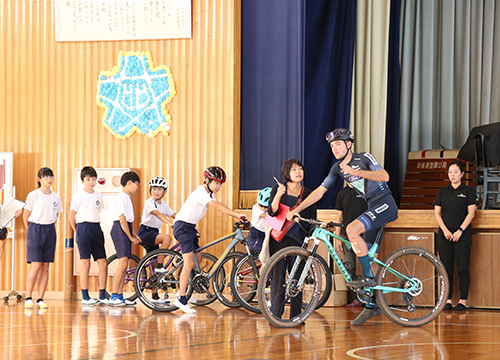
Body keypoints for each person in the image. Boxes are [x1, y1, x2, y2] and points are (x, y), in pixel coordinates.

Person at [288, 128, 398, 325]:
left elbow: (385, 176)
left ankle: (367, 280)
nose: (334, 148)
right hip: (371, 206)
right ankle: (371, 307)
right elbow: (319, 192)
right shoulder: (337, 168)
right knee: (370, 258)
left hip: (385, 203)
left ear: (348, 144)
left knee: (352, 230)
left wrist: (356, 172)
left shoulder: (363, 158)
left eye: (338, 144)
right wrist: (298, 207)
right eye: (331, 146)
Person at [173, 166, 247, 314]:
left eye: (220, 184)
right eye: (216, 183)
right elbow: (217, 208)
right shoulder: (201, 192)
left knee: (197, 260)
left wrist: (235, 213)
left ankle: (184, 291)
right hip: (183, 227)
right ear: (207, 180)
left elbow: (219, 204)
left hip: (189, 227)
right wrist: (236, 215)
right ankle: (181, 299)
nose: (218, 186)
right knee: (188, 264)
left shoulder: (208, 193)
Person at [267, 158, 317, 320]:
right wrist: (278, 195)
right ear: (286, 173)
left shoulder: (308, 193)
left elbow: (312, 218)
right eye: (294, 169)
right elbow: (271, 212)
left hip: (299, 240)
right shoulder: (278, 188)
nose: (298, 171)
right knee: (277, 278)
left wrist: (310, 239)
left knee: (297, 278)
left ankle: (296, 317)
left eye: (300, 168)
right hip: (278, 240)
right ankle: (276, 315)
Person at [434, 160, 477, 311]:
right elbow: (437, 214)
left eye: (455, 172)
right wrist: (445, 230)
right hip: (445, 235)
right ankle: (447, 299)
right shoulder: (442, 192)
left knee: (463, 267)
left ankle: (463, 301)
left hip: (462, 235)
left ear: (462, 174)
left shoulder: (469, 191)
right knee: (446, 269)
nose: (452, 175)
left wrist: (460, 230)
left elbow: (471, 214)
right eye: (450, 172)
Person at [23, 167, 63, 309]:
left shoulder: (56, 197)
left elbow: (56, 216)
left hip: (50, 230)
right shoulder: (33, 195)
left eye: (51, 176)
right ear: (39, 179)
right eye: (45, 176)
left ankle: (40, 298)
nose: (49, 179)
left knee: (46, 266)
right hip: (35, 229)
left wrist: (48, 227)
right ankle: (28, 297)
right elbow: (25, 216)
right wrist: (31, 233)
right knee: (36, 266)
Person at [68, 166, 108, 306]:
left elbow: (99, 210)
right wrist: (77, 231)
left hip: (96, 228)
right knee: (85, 263)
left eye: (93, 179)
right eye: (88, 179)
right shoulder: (78, 196)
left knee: (103, 263)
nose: (91, 182)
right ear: (82, 180)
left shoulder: (98, 195)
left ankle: (102, 295)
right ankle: (85, 297)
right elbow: (71, 217)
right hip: (83, 228)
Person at [109, 171, 142, 306]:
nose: (137, 187)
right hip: (120, 229)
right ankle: (114, 295)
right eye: (136, 184)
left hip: (125, 228)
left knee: (125, 265)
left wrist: (133, 234)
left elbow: (128, 220)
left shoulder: (127, 197)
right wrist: (129, 236)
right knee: (122, 264)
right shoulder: (122, 197)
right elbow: (122, 218)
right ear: (129, 183)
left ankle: (120, 295)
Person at [334, 184, 367, 308]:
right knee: (349, 267)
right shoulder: (342, 193)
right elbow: (339, 217)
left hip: (365, 233)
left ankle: (371, 298)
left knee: (368, 266)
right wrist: (338, 239)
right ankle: (357, 298)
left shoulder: (366, 189)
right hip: (346, 235)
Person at [246, 187, 271, 254]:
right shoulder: (256, 207)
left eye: (266, 207)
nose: (263, 209)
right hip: (256, 233)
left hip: (266, 234)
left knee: (267, 254)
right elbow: (264, 216)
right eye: (261, 205)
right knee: (259, 252)